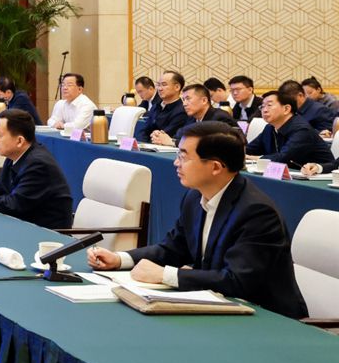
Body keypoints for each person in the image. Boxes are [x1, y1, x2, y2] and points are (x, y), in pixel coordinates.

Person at [88, 122, 307, 319]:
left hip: (267, 318)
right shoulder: (194, 197)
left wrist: (165, 275)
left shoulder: (257, 212)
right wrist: (120, 259)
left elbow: (237, 281)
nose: (176, 163)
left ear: (215, 167)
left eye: (184, 157)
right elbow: (173, 248)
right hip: (220, 307)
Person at [245, 88, 329, 168]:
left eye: (269, 105)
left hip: (319, 175)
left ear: (286, 109)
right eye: (262, 106)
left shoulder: (302, 130)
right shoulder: (270, 128)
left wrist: (252, 158)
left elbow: (284, 158)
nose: (264, 110)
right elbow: (250, 149)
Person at [148, 84, 233, 146]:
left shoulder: (220, 117)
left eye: (188, 99)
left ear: (204, 100)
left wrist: (172, 142)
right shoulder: (192, 118)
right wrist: (161, 136)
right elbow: (179, 134)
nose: (184, 104)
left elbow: (209, 144)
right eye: (183, 100)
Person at [135, 70, 188, 144]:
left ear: (177, 87)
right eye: (158, 85)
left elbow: (164, 135)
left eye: (164, 85)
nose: (159, 89)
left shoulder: (181, 111)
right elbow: (144, 130)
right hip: (148, 146)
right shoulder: (156, 106)